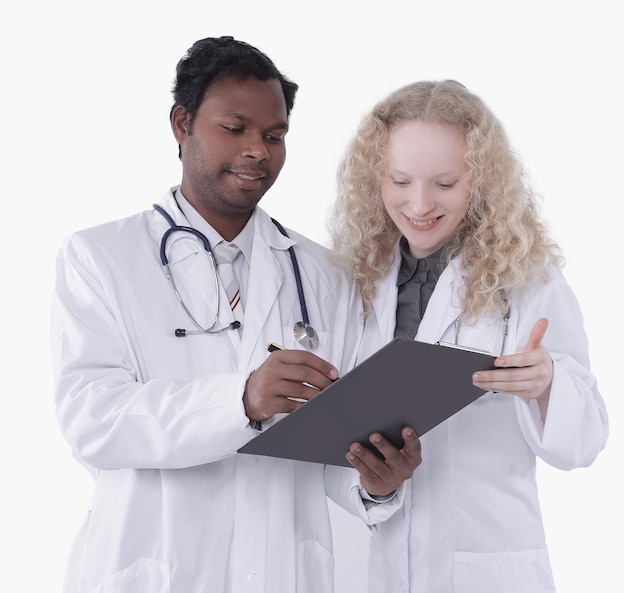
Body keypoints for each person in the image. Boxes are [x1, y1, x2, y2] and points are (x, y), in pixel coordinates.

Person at [51, 36, 421, 593]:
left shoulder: (324, 274)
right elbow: (91, 419)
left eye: (275, 136)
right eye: (235, 128)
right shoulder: (101, 257)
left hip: (280, 572)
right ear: (182, 124)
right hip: (156, 565)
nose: (258, 151)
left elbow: (334, 445)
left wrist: (376, 483)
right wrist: (240, 400)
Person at [328, 79, 608, 593]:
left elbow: (584, 443)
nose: (419, 203)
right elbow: (338, 436)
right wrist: (375, 489)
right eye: (399, 180)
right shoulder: (358, 283)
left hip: (492, 568)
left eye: (445, 183)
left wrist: (548, 384)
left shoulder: (527, 281)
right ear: (375, 178)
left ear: (480, 179)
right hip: (386, 568)